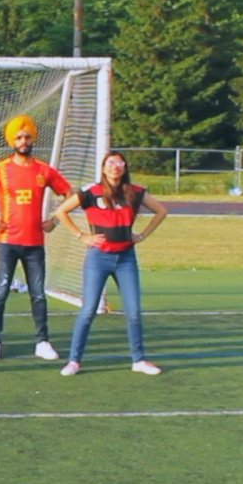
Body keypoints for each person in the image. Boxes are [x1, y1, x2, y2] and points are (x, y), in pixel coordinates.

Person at [0, 114, 71, 362]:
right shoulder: (0, 170)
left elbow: (70, 194)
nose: (23, 141)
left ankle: (42, 341)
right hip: (7, 243)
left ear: (33, 139)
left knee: (38, 294)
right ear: (11, 141)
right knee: (0, 292)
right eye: (18, 137)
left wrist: (54, 220)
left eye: (27, 137)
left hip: (35, 244)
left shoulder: (44, 170)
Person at [53, 151, 168, 376]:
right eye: (110, 163)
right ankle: (74, 360)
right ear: (104, 168)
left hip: (126, 258)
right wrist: (82, 236)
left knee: (133, 311)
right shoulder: (91, 192)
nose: (115, 167)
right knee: (88, 310)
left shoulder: (134, 192)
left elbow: (161, 211)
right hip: (98, 258)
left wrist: (142, 235)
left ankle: (139, 359)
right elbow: (61, 210)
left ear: (124, 168)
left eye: (119, 163)